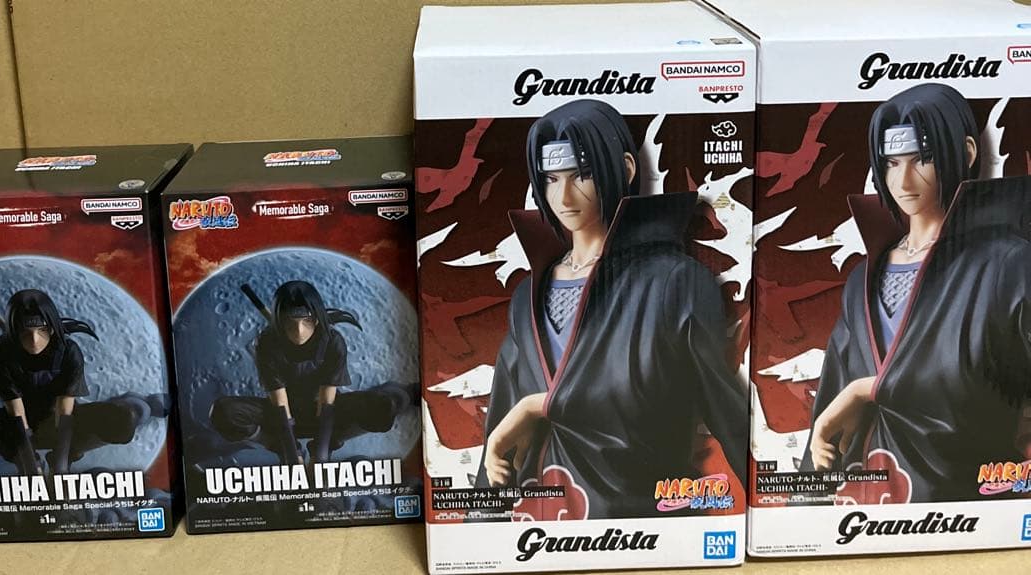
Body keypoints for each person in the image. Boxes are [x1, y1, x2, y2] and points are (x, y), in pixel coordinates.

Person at [476, 99, 747, 520]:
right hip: (540, 521)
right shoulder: (529, 294)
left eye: (581, 175)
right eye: (550, 179)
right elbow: (501, 428)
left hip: (641, 513)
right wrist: (479, 526)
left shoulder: (674, 281)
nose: (564, 196)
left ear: (625, 167)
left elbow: (681, 399)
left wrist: (540, 405)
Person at [805, 83, 1031, 503]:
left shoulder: (1008, 262)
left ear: (966, 152)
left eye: (922, 159)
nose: (903, 180)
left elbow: (984, 381)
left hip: (969, 494)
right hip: (864, 502)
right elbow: (831, 404)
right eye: (891, 163)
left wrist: (869, 389)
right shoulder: (863, 278)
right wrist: (805, 503)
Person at [0, 289, 167, 475]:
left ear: (52, 327)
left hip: (62, 420)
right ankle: (9, 453)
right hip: (15, 425)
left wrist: (62, 463)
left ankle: (74, 451)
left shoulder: (68, 352)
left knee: (123, 421)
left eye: (42, 330)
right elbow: (15, 412)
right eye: (25, 332)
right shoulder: (2, 353)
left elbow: (65, 410)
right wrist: (28, 459)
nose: (34, 340)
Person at [208, 281, 411, 465]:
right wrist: (290, 453)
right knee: (223, 413)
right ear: (279, 320)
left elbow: (327, 400)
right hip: (279, 414)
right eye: (290, 321)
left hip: (326, 410)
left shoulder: (332, 341)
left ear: (317, 318)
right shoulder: (267, 342)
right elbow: (279, 402)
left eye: (306, 320)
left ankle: (335, 439)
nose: (299, 330)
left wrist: (320, 455)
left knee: (383, 407)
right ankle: (274, 444)